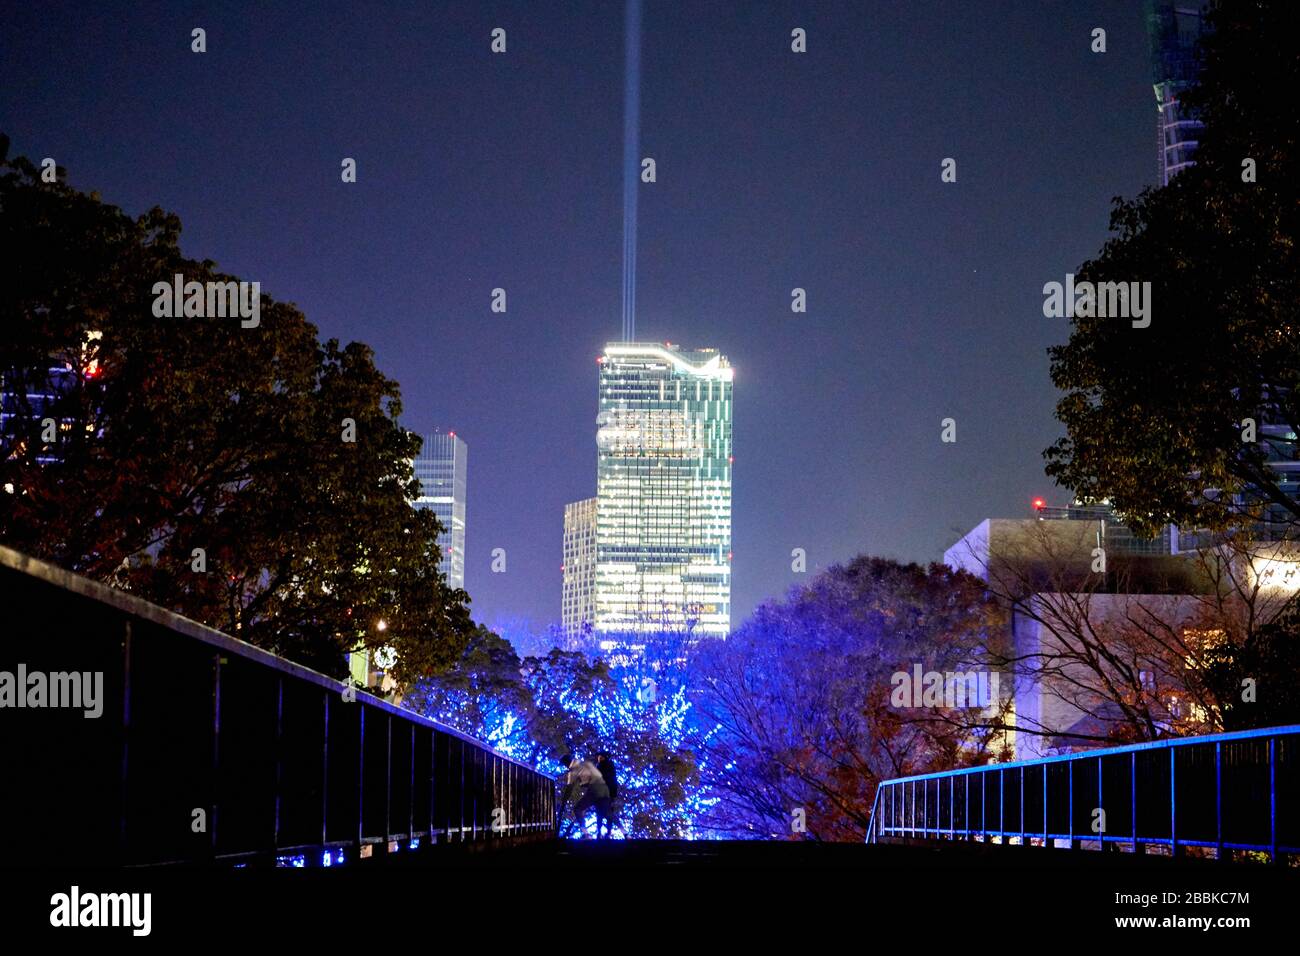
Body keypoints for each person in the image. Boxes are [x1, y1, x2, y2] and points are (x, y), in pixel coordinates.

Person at [568, 753, 611, 839]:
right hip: (602, 790)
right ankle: (606, 833)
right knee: (604, 812)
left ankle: (587, 834)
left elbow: (571, 785)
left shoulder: (574, 769)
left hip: (595, 790)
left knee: (577, 808)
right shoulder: (586, 765)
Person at [595, 752, 619, 839]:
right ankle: (603, 833)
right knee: (603, 814)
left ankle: (605, 833)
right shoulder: (600, 766)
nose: (599, 758)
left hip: (606, 793)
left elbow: (612, 780)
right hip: (604, 794)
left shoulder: (606, 766)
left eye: (600, 757)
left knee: (604, 814)